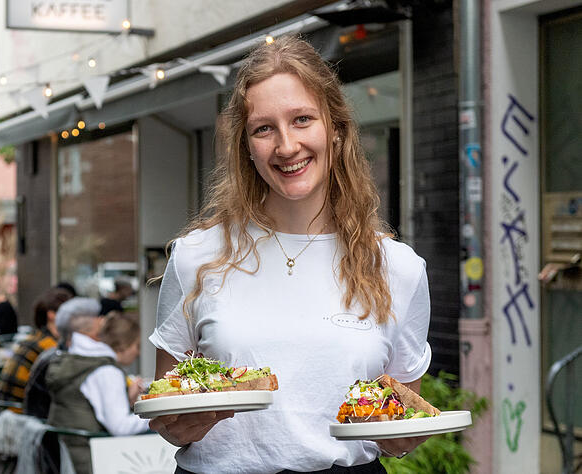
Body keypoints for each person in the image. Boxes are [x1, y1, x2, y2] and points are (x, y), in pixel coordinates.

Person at [148, 35, 432, 473]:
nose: (286, 146)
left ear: (335, 129)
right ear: (246, 146)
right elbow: (165, 408)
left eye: (302, 119)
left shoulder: (398, 267)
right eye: (264, 128)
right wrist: (178, 428)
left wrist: (401, 438)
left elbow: (399, 424)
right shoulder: (196, 257)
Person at [45, 302, 149, 473]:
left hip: (65, 455)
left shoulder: (75, 360)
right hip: (91, 460)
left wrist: (127, 400)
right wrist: (156, 415)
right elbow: (120, 427)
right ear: (123, 345)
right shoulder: (106, 371)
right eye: (137, 346)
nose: (138, 353)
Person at [0, 287, 72, 410]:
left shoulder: (34, 338)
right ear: (52, 315)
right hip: (21, 414)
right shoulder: (50, 347)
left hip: (5, 412)